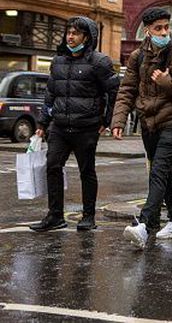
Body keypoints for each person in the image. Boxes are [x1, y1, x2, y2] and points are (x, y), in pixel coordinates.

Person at [110, 7, 172, 249]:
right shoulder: (137, 57)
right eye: (158, 28)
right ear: (147, 30)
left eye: (166, 27)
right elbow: (127, 90)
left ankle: (144, 225)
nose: (164, 32)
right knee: (162, 172)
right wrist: (118, 120)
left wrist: (167, 82)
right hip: (148, 122)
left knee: (159, 170)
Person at [30, 17, 119, 232]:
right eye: (68, 33)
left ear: (86, 37)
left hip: (86, 127)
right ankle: (55, 216)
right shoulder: (58, 61)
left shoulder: (99, 62)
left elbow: (114, 91)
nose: (70, 37)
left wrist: (106, 121)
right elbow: (50, 94)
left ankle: (88, 216)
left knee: (86, 171)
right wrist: (43, 123)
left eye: (75, 33)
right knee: (52, 166)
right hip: (59, 127)